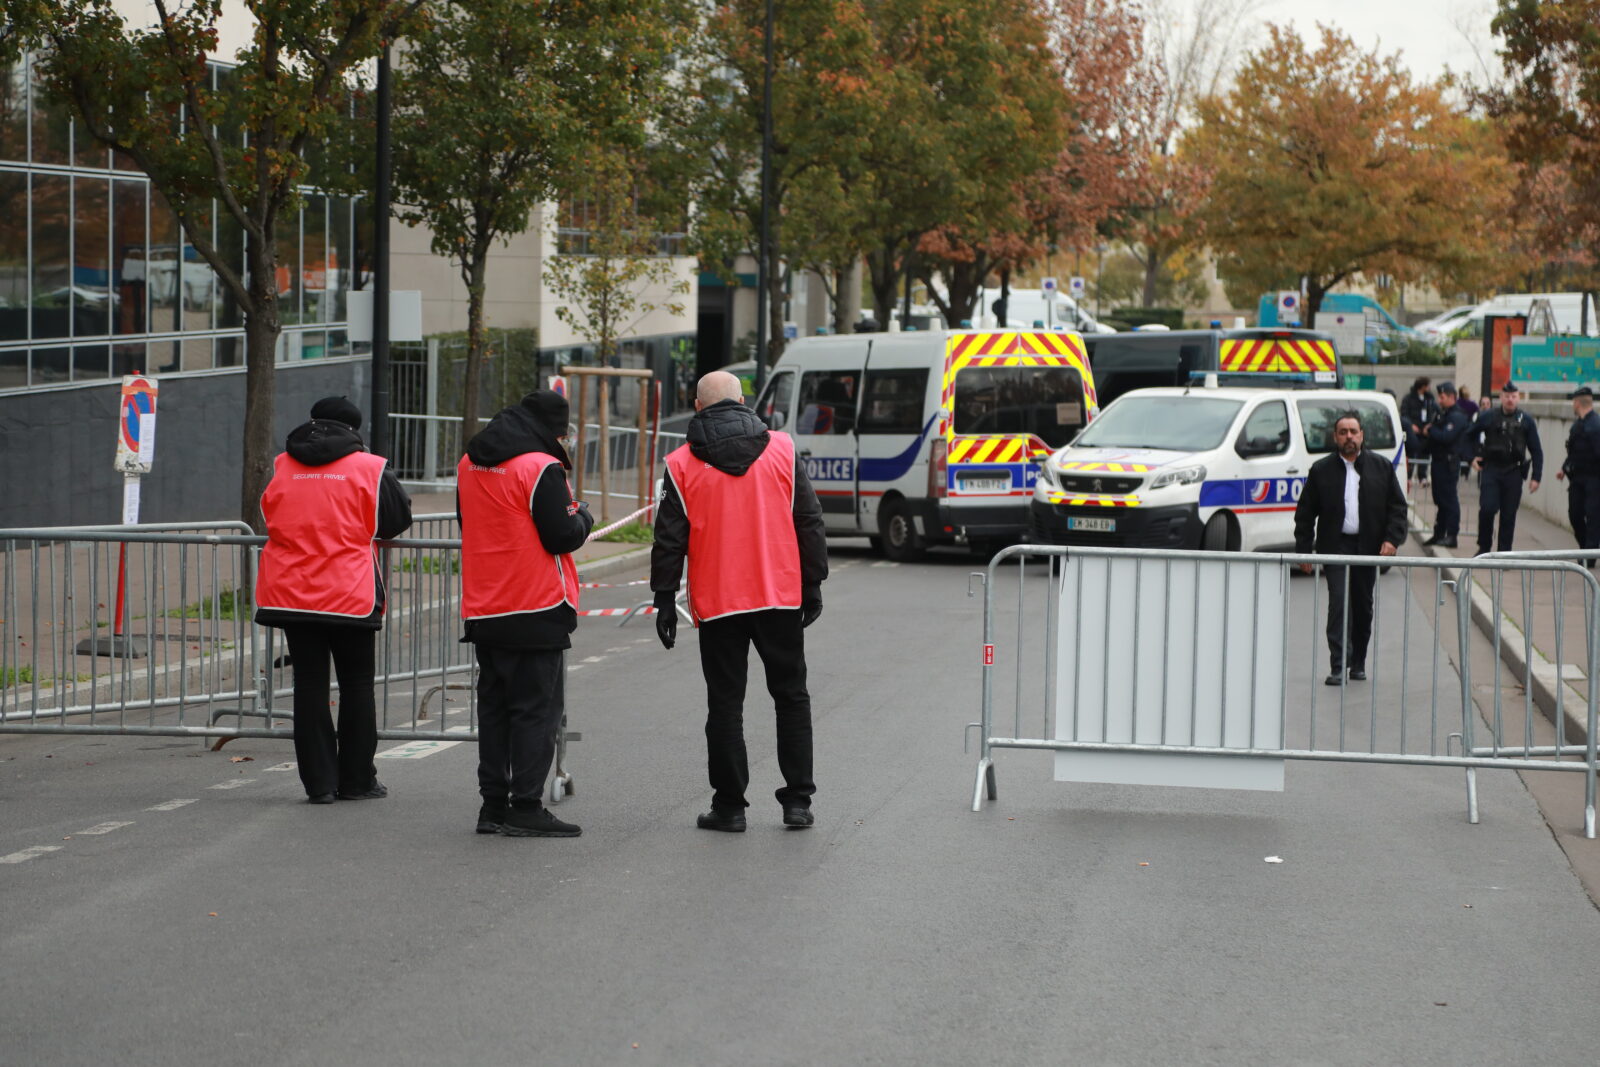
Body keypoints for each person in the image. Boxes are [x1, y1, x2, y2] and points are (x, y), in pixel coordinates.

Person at [651, 370, 828, 832]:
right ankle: (797, 803)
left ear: (696, 407)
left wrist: (664, 599)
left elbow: (669, 539)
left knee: (725, 705)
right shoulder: (783, 451)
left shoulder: (682, 463)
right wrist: (812, 583)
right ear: (744, 401)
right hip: (779, 594)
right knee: (791, 697)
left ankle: (729, 807)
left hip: (720, 601)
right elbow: (808, 519)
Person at [255, 396, 413, 804]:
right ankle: (358, 780)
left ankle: (319, 784)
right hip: (348, 591)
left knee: (309, 685)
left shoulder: (282, 464)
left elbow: (269, 514)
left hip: (291, 591)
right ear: (355, 429)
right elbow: (395, 521)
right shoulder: (370, 467)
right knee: (357, 684)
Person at [457, 390, 593, 838]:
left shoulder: (470, 462)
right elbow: (561, 536)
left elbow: (468, 522)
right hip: (535, 604)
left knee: (495, 710)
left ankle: (492, 806)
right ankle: (526, 807)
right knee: (536, 711)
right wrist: (584, 518)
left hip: (485, 603)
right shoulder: (540, 467)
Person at [1293, 412, 1408, 686]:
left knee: (1362, 606)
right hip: (1336, 546)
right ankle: (1337, 665)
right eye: (1343, 432)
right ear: (1335, 437)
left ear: (1362, 435)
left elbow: (1398, 508)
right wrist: (1303, 550)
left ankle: (1358, 662)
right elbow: (1305, 513)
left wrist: (1392, 540)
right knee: (1338, 604)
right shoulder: (1321, 470)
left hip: (1368, 547)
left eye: (1353, 431)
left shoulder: (1381, 467)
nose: (1348, 437)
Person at [1470, 381, 1543, 555]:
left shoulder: (1526, 421)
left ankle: (1504, 553)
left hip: (1513, 472)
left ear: (1518, 398)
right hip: (1491, 470)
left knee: (1508, 515)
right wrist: (1471, 457)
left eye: (1514, 396)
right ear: (1501, 397)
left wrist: (1536, 477)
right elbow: (1468, 435)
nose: (1510, 400)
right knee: (1487, 509)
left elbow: (1536, 450)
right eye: (1507, 396)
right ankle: (1484, 547)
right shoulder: (1488, 417)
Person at [1421, 382, 1471, 548]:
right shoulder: (1444, 414)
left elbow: (1445, 437)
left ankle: (1452, 535)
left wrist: (1431, 430)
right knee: (1440, 500)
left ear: (1451, 397)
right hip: (1439, 462)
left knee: (1449, 500)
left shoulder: (1457, 416)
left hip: (1448, 464)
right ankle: (1439, 533)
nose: (1439, 400)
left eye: (1442, 397)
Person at [1556, 385, 1600, 564]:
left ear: (1577, 403)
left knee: (1593, 517)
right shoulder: (1577, 426)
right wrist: (1563, 468)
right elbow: (1572, 452)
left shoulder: (1596, 426)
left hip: (1594, 479)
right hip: (1577, 479)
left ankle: (1589, 557)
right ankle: (1585, 549)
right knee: (1575, 514)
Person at [1399, 376, 1437, 484]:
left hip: (1425, 431)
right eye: (1428, 386)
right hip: (1413, 431)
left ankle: (1422, 476)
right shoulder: (1408, 398)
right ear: (1422, 386)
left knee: (1424, 453)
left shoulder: (1429, 399)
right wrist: (1410, 425)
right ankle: (1409, 476)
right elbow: (1404, 414)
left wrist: (1429, 425)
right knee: (1411, 453)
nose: (1429, 388)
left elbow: (1433, 413)